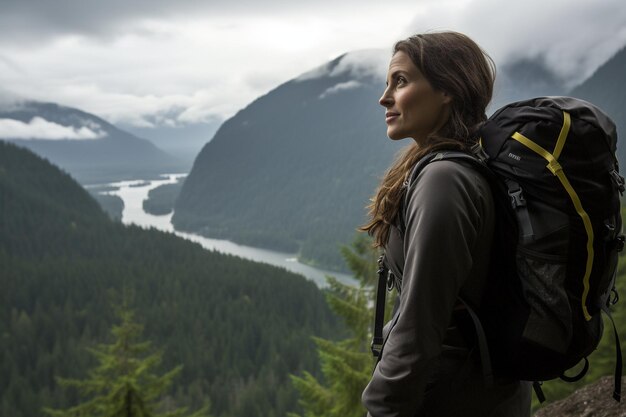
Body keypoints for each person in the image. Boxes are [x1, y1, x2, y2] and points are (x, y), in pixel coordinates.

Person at [359, 31, 532, 416]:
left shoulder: (444, 181)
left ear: (447, 90)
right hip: (486, 395)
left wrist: (382, 408)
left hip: (451, 400)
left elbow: (419, 327)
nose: (384, 97)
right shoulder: (467, 164)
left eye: (400, 81)